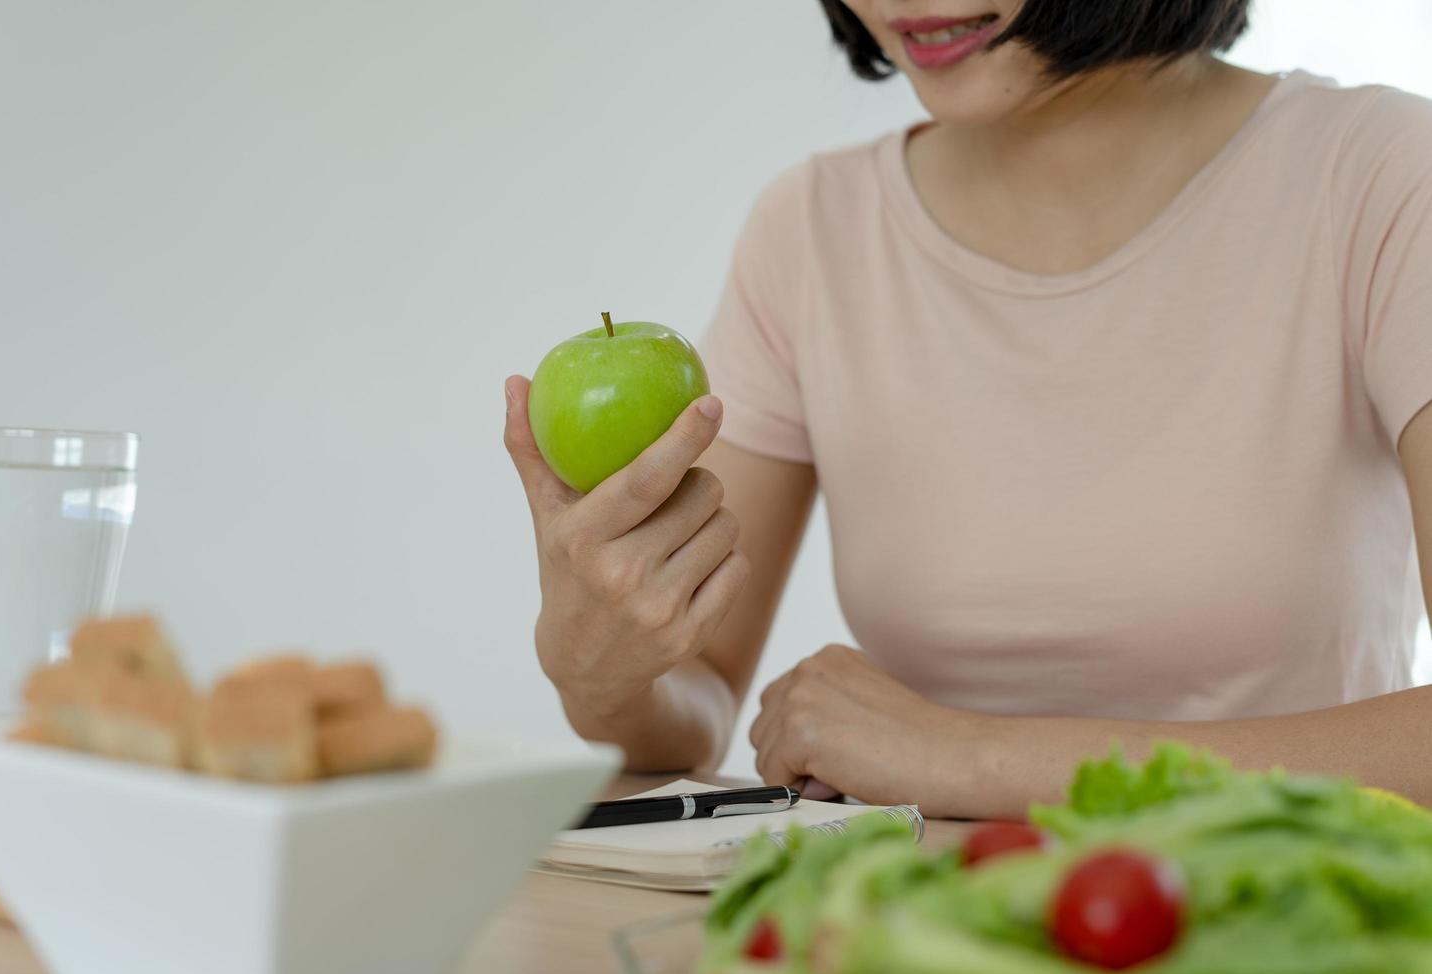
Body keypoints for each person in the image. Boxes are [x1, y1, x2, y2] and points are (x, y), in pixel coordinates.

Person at [504, 0, 1432, 818]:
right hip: (943, 927)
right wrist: (598, 663)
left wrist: (971, 757)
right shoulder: (813, 228)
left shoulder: (1385, 176)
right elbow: (693, 713)